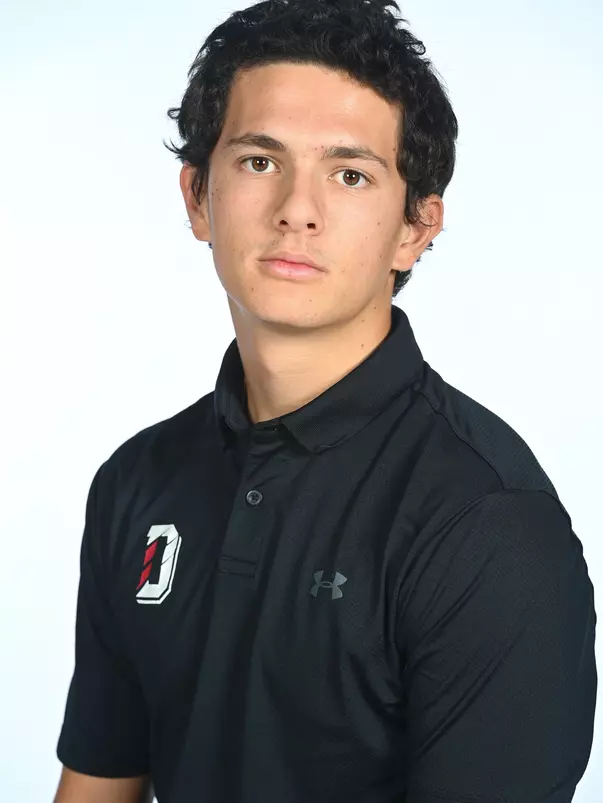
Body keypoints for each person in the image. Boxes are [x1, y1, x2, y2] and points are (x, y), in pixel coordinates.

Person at [53, 1, 597, 801]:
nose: (296, 209)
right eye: (259, 161)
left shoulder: (488, 525)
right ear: (198, 196)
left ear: (414, 227)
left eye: (349, 173)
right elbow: (98, 786)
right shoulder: (137, 482)